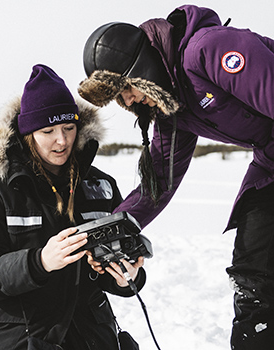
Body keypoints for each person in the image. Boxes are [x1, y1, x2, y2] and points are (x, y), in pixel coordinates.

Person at [78, 5, 274, 350]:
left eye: (126, 89)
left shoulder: (209, 50)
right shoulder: (172, 110)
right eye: (120, 98)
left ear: (141, 68)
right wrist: (117, 227)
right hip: (270, 161)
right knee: (253, 274)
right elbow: (160, 180)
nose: (128, 101)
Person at [0, 64, 146, 350]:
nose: (62, 140)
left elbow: (121, 252)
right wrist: (39, 261)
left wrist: (126, 275)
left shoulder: (101, 186)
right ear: (28, 134)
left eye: (69, 128)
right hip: (15, 334)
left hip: (86, 331)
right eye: (48, 131)